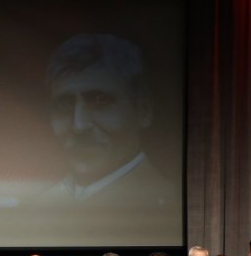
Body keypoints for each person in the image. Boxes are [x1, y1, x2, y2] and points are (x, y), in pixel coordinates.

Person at [45, 33, 173, 212]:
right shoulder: (36, 206)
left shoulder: (169, 204)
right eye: (64, 105)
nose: (79, 126)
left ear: (144, 111)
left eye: (99, 101)